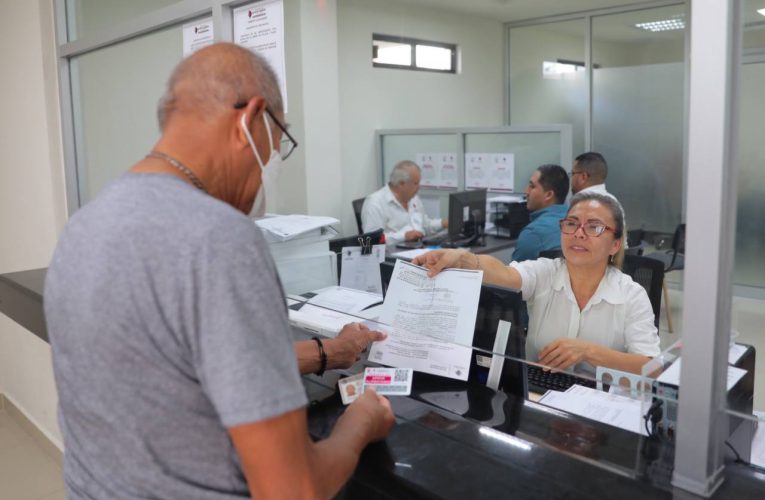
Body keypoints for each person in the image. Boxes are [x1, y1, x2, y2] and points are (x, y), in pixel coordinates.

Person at [45, 43, 394, 499]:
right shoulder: (220, 238)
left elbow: (173, 365)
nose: (268, 166)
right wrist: (361, 422)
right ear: (251, 118)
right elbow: (295, 490)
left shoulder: (85, 224)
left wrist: (333, 350)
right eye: (276, 145)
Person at [413, 192, 659, 375]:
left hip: (600, 403)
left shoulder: (632, 295)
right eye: (571, 224)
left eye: (594, 227)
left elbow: (652, 369)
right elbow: (504, 274)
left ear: (615, 244)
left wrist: (588, 352)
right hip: (539, 393)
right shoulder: (545, 272)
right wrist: (462, 258)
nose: (579, 233)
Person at [361, 160, 447, 243]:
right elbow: (372, 240)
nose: (418, 187)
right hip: (392, 254)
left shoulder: (414, 199)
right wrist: (403, 236)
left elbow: (425, 226)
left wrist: (443, 223)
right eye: (415, 183)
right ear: (401, 183)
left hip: (417, 248)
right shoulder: (375, 203)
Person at [512, 164, 569, 261]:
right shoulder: (577, 223)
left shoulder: (533, 234)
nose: (526, 191)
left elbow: (514, 274)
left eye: (532, 186)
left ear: (548, 195)